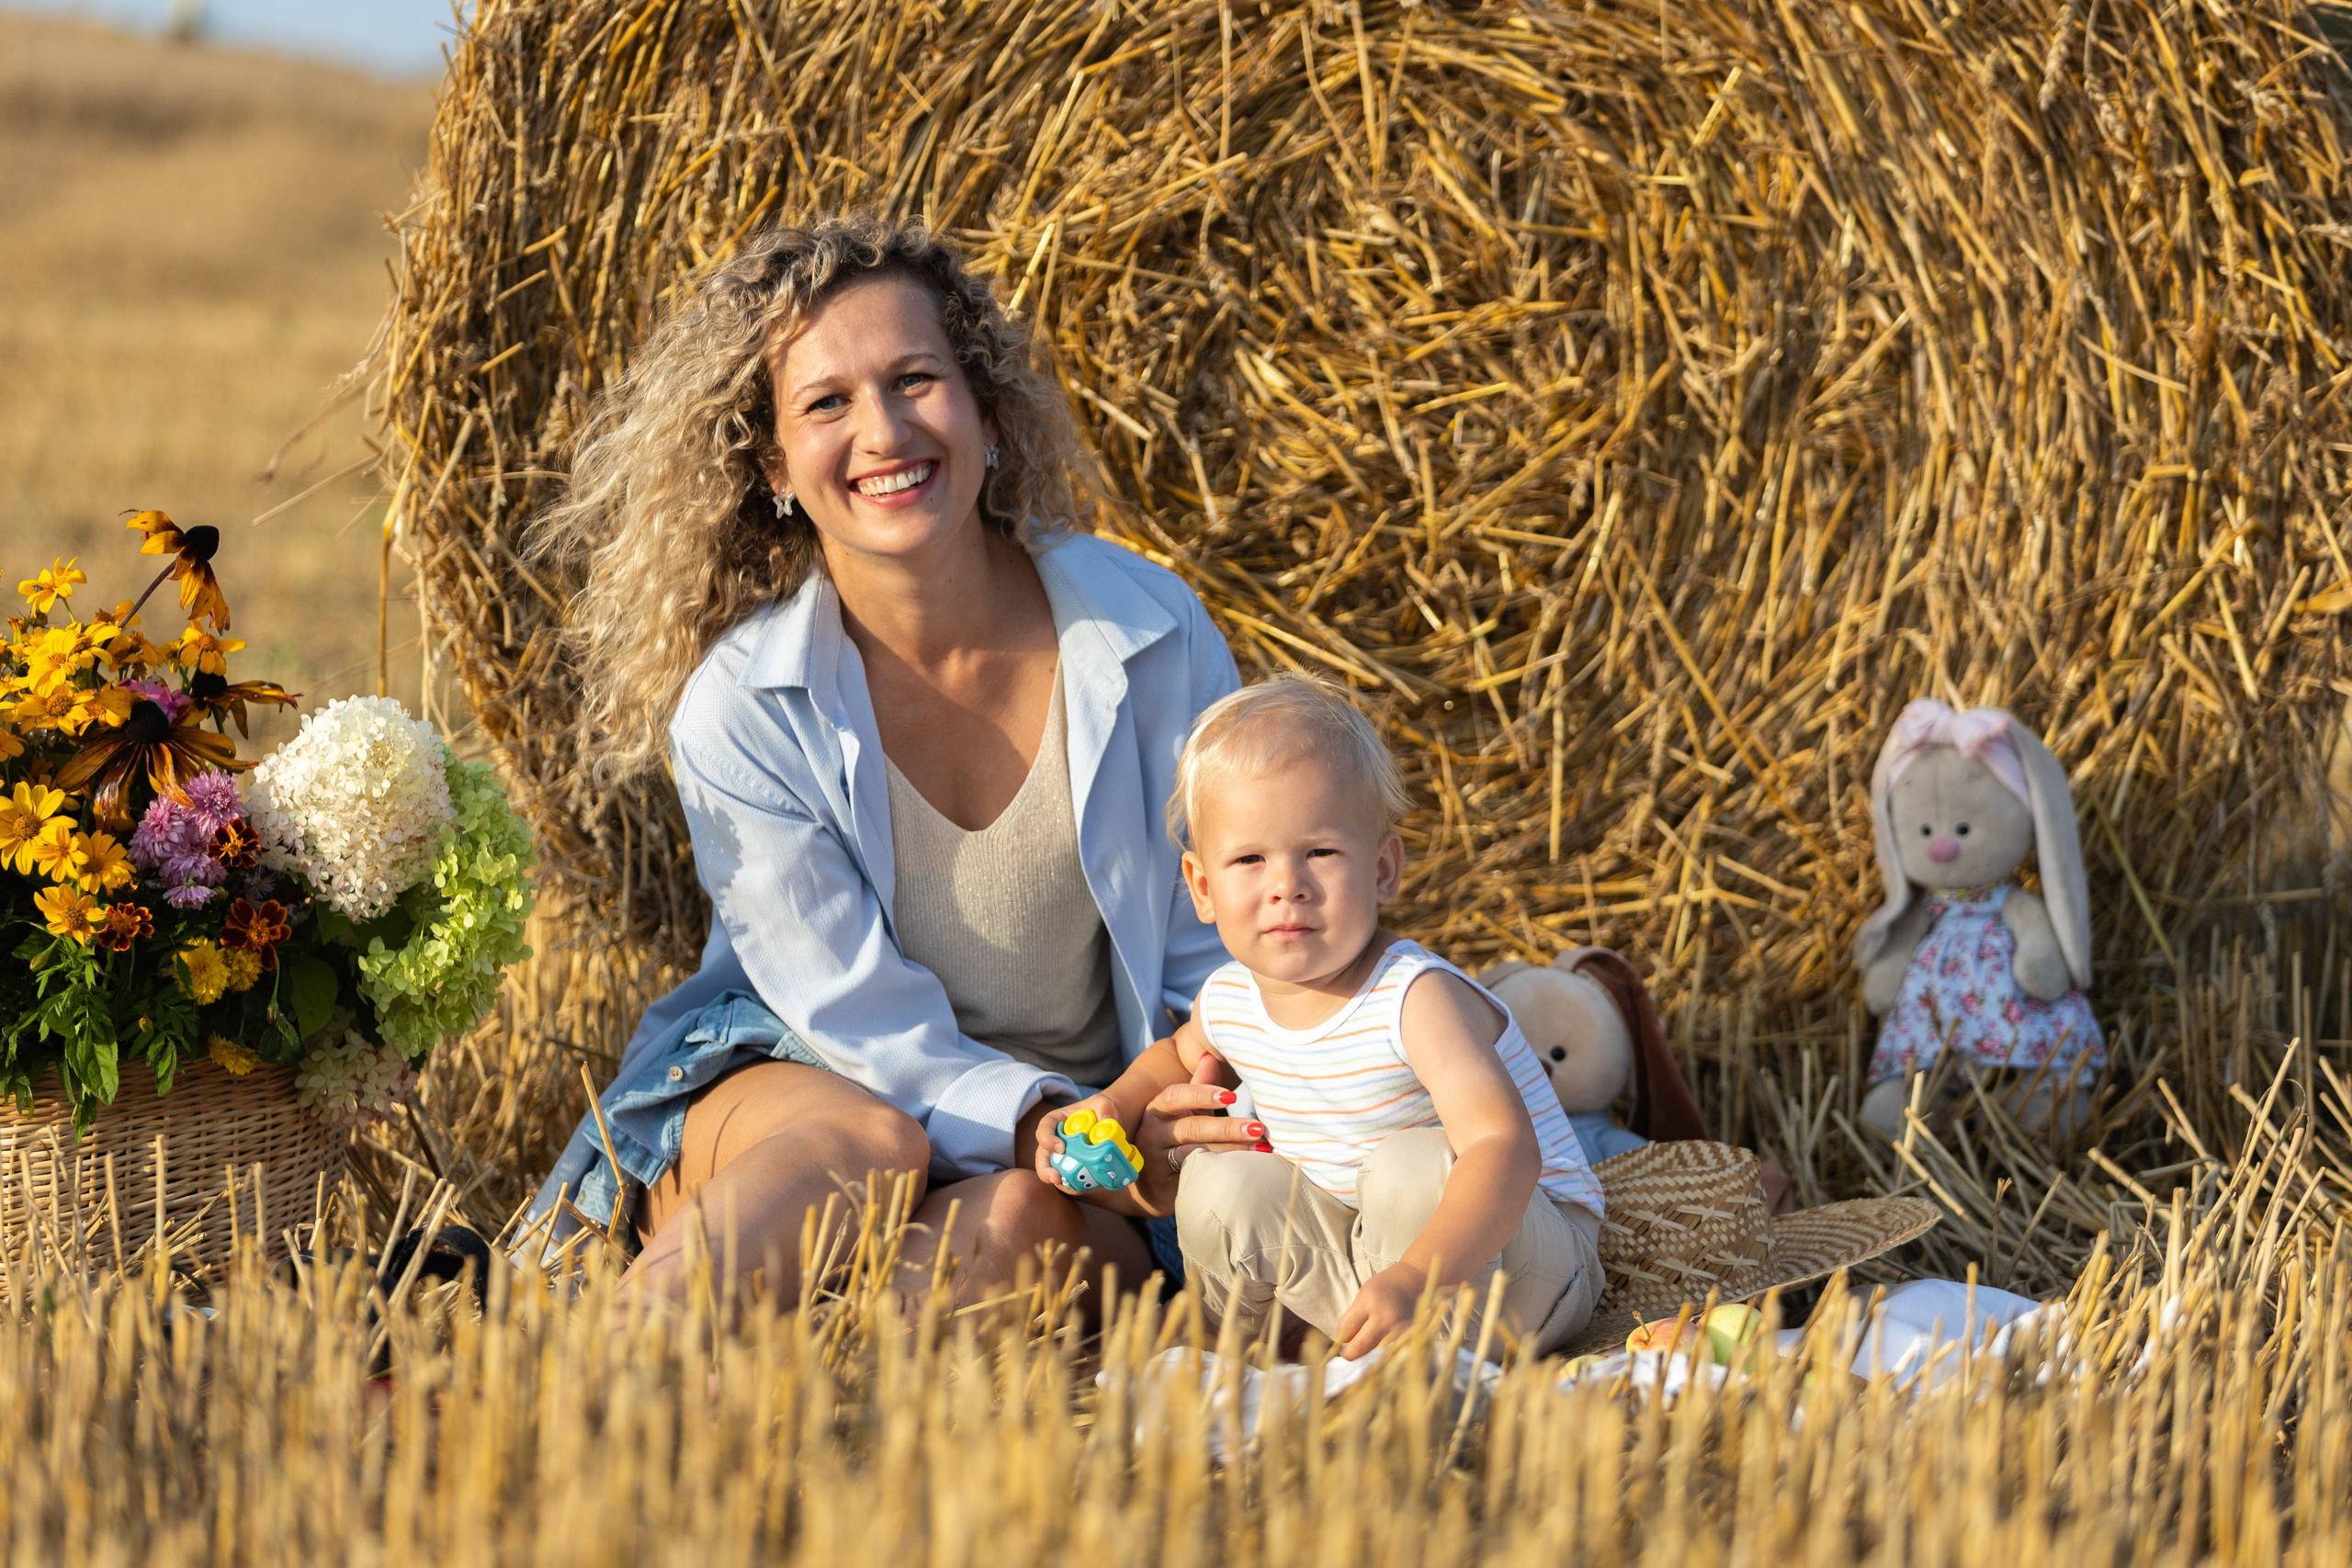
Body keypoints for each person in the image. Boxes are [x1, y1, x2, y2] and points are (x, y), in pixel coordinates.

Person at [520, 215, 1260, 1304]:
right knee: (871, 1143)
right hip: (807, 1089)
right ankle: (617, 1360)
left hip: (1081, 1146)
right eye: (826, 402)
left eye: (915, 380)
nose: (883, 430)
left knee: (1012, 1228)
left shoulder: (1151, 631)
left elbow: (1220, 946)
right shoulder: (743, 706)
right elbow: (857, 1022)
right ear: (773, 463)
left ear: (985, 411)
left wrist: (1167, 1100)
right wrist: (1042, 1126)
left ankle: (751, 1370)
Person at [1036, 678, 1606, 1358]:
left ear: (1383, 869)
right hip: (1372, 1260)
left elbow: (1503, 1147)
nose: (1288, 885)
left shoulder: (1415, 997)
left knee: (1406, 1166)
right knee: (1219, 1179)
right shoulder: (1230, 998)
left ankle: (1431, 1363)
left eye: (1320, 852)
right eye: (1250, 859)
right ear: (1203, 888)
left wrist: (1416, 1277)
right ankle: (1251, 1344)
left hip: (1513, 1254)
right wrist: (1111, 1103)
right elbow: (1175, 1058)